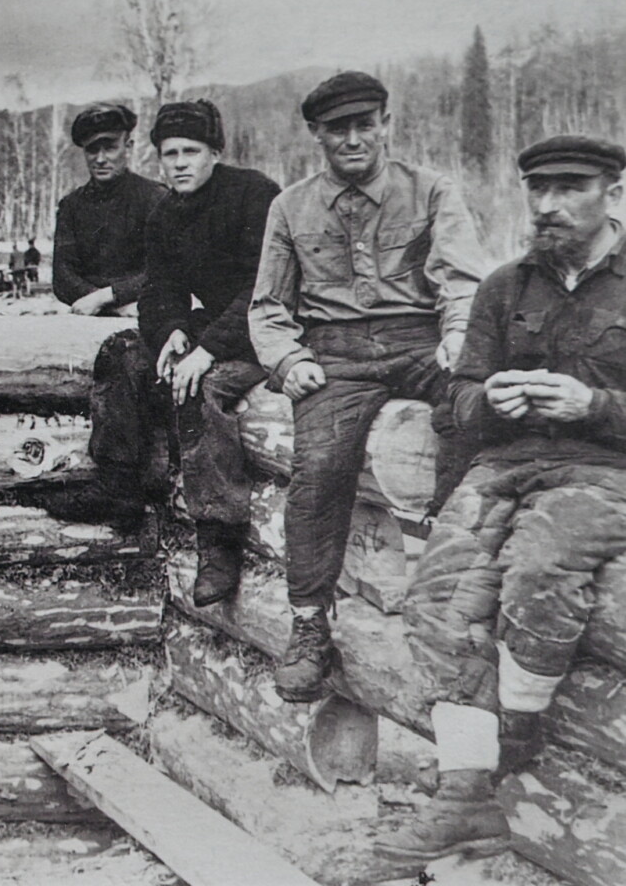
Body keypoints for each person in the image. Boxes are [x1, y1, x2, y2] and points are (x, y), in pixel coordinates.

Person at [375, 136, 626, 867]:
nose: (546, 204)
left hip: (604, 471)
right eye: (536, 188)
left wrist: (596, 404)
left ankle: (510, 736)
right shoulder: (503, 285)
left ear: (612, 192)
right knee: (436, 593)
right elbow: (455, 398)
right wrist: (485, 397)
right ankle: (464, 802)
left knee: (540, 570)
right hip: (503, 465)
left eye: (567, 187)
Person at [249, 71, 489, 702]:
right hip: (337, 355)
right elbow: (268, 307)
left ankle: (452, 585)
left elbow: (462, 281)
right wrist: (285, 359)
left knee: (473, 409)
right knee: (320, 466)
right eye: (337, 129)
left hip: (420, 341)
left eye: (365, 124)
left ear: (386, 125)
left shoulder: (433, 191)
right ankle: (308, 628)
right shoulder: (289, 206)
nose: (353, 139)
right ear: (316, 135)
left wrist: (459, 336)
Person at [138, 101, 282, 604]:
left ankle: (218, 540)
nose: (179, 163)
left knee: (206, 383)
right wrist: (173, 331)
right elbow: (159, 290)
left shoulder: (253, 195)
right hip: (226, 322)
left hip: (276, 325)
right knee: (128, 357)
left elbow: (266, 288)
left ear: (216, 153)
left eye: (191, 151)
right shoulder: (164, 213)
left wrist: (207, 351)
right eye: (169, 153)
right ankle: (127, 492)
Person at [52, 103, 167, 315]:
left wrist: (108, 297)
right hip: (88, 314)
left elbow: (165, 269)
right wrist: (109, 305)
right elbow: (62, 277)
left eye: (110, 148)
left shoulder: (155, 198)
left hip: (143, 313)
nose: (101, 159)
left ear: (129, 147)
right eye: (92, 149)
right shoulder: (71, 205)